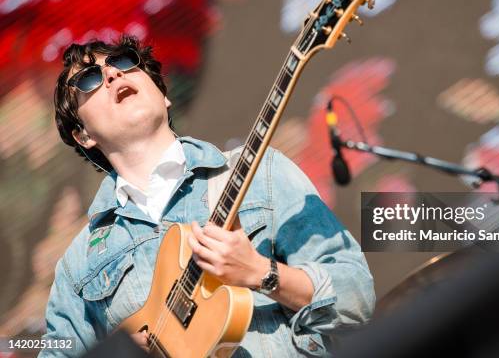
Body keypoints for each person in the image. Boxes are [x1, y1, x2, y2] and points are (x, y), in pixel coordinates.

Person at [41, 35, 375, 357]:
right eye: (88, 79)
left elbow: (356, 297)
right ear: (83, 135)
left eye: (124, 62)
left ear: (163, 94)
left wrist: (263, 273)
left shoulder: (261, 172)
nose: (113, 73)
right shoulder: (78, 264)